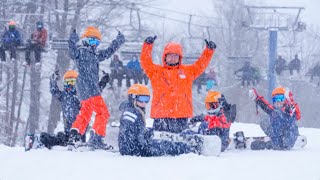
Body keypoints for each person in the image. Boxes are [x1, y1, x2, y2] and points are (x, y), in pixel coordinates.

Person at [140, 35, 216, 133]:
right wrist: (147, 45)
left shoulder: (188, 72)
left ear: (179, 58)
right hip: (161, 116)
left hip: (181, 116)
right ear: (165, 57)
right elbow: (145, 62)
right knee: (160, 144)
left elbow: (201, 65)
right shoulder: (156, 72)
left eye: (175, 56)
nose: (173, 58)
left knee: (181, 143)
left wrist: (209, 51)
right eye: (170, 55)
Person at [67, 26, 125, 149]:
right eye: (92, 41)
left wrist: (118, 41)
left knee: (85, 113)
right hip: (90, 89)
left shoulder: (94, 54)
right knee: (103, 113)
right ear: (85, 40)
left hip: (84, 90)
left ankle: (75, 135)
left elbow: (108, 52)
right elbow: (72, 52)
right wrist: (72, 40)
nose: (95, 45)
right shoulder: (81, 51)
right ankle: (96, 137)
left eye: (97, 42)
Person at [118, 84, 201, 156]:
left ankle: (184, 140)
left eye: (147, 99)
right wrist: (145, 144)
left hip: (137, 146)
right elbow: (127, 136)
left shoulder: (135, 110)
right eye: (142, 98)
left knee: (162, 140)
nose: (145, 103)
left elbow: (136, 131)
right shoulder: (130, 114)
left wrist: (147, 132)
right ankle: (189, 148)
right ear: (133, 98)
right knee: (165, 146)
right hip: (134, 149)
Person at [37, 70, 110, 149]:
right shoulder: (64, 95)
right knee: (58, 136)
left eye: (72, 82)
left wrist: (103, 82)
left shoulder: (82, 96)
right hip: (68, 131)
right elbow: (54, 91)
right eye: (68, 82)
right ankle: (43, 141)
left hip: (80, 131)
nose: (70, 85)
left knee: (76, 140)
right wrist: (52, 80)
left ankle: (84, 142)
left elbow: (94, 92)